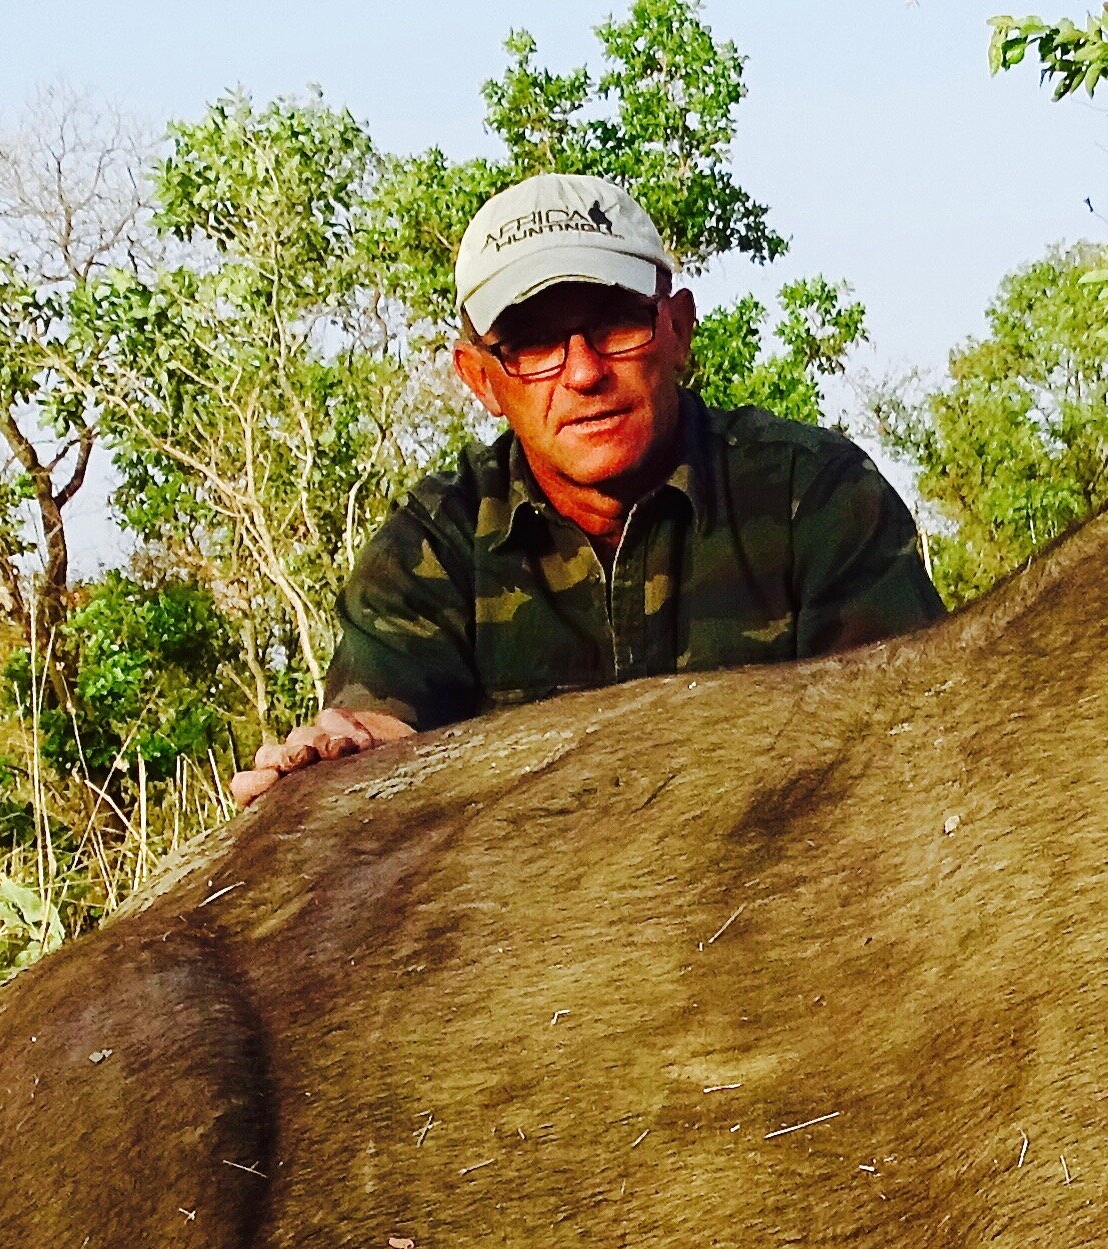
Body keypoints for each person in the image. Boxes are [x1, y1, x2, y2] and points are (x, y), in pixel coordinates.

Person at [232, 171, 944, 805]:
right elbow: (384, 732)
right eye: (533, 343)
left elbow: (903, 738)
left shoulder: (810, 494)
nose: (582, 373)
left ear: (677, 329)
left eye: (614, 324)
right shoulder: (431, 550)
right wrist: (337, 759)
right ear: (479, 378)